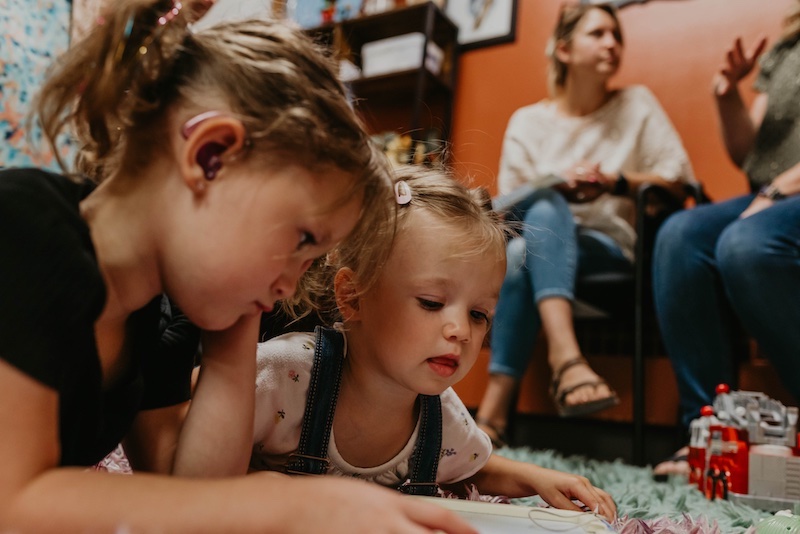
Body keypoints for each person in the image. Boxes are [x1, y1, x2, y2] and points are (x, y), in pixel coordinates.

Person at [0, 1, 476, 532]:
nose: (293, 284)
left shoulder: (149, 316)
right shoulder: (27, 228)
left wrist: (238, 323)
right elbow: (13, 504)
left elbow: (189, 497)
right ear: (211, 157)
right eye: (300, 238)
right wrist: (294, 506)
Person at [250, 167, 617, 520]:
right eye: (431, 303)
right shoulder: (286, 372)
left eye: (479, 314)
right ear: (353, 296)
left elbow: (471, 465)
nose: (461, 331)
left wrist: (536, 477)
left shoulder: (440, 413)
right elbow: (195, 421)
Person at [475, 2, 695, 446]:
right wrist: (557, 183)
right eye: (598, 34)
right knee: (534, 228)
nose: (612, 43)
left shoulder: (635, 105)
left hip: (608, 250)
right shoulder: (528, 122)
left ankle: (495, 415)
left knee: (535, 232)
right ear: (563, 50)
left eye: (617, 36)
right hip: (533, 245)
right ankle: (564, 362)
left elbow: (679, 181)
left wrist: (614, 182)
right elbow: (506, 209)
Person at [652, 3, 800, 477]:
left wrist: (776, 192)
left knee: (746, 244)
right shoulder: (785, 47)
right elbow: (747, 150)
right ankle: (711, 433)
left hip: (782, 197)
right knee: (680, 234)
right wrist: (727, 93)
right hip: (769, 194)